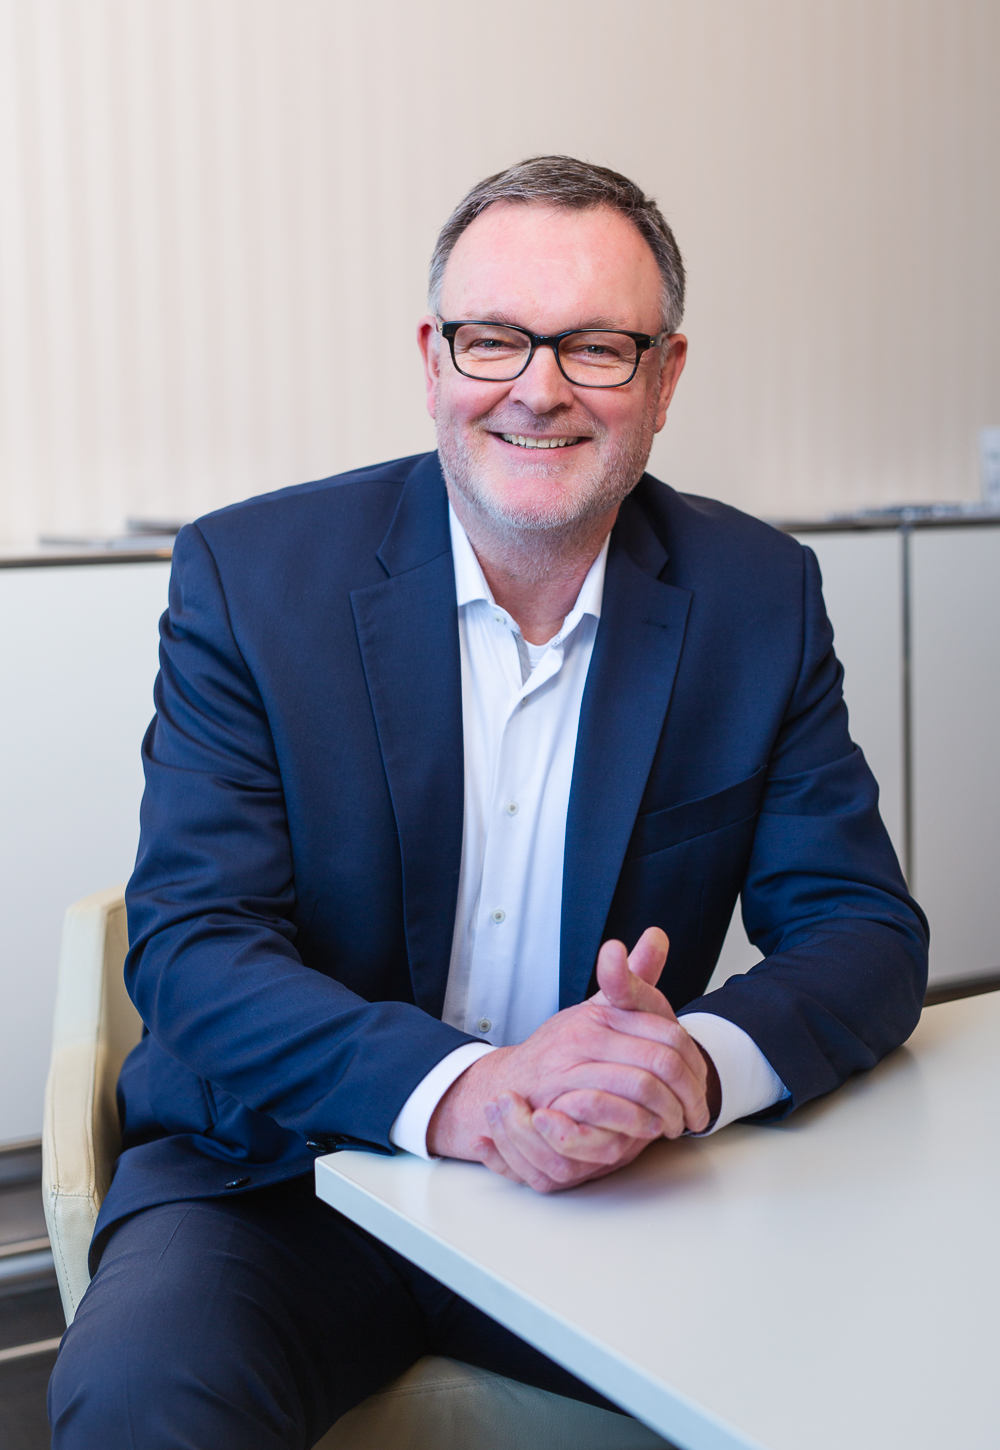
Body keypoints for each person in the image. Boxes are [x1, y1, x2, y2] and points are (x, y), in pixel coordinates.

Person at [49, 156, 928, 1446]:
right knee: (142, 1403)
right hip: (285, 1179)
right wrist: (469, 1095)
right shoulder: (252, 576)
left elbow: (863, 930)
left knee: (881, 1383)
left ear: (666, 379)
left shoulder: (759, 595)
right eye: (493, 339)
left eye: (598, 347)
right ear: (433, 360)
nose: (538, 387)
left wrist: (687, 1066)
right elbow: (194, 944)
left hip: (614, 1186)